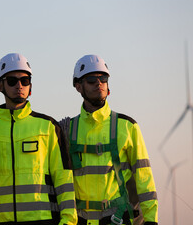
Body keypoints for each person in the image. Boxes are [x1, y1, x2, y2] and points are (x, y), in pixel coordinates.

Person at [60, 54, 158, 225]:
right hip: (79, 220)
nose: (99, 83)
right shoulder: (66, 129)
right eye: (91, 79)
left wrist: (151, 220)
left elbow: (145, 179)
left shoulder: (127, 126)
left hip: (117, 219)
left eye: (103, 78)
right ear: (78, 86)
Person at [0, 53, 77, 224]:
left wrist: (69, 221)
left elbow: (63, 178)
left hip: (42, 220)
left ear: (31, 86)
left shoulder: (48, 127)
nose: (19, 85)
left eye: (25, 80)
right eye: (12, 81)